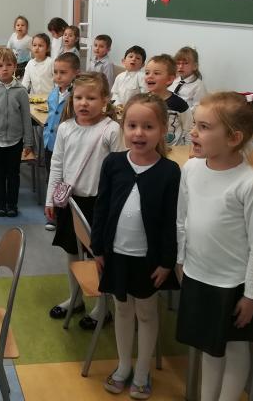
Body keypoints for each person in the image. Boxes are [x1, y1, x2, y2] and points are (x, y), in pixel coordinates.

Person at [176, 92, 253, 401]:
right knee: (209, 346)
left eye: (204, 127)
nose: (193, 132)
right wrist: (180, 260)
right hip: (198, 274)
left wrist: (252, 295)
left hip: (235, 284)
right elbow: (182, 219)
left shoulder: (250, 184)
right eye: (195, 124)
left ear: (233, 138)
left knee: (234, 348)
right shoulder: (191, 169)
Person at [92, 93, 181, 397]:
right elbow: (102, 208)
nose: (139, 133)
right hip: (116, 254)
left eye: (148, 126)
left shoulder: (170, 171)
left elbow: (171, 221)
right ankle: (123, 366)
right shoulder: (113, 163)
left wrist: (167, 261)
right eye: (132, 125)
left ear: (163, 130)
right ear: (123, 127)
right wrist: (98, 248)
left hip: (148, 260)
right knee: (121, 309)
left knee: (146, 312)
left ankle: (142, 371)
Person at [45, 72, 123, 328]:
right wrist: (50, 199)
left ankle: (102, 307)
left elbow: (120, 172)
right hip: (71, 202)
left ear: (105, 100)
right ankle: (76, 298)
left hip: (99, 205)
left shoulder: (111, 130)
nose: (83, 103)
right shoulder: (66, 128)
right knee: (72, 253)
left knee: (97, 258)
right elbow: (57, 164)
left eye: (91, 98)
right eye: (78, 97)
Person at [0, 48, 33, 217]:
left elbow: (26, 118)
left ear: (15, 67)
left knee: (13, 174)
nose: (5, 69)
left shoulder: (21, 91)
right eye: (0, 65)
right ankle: (1, 204)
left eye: (9, 65)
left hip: (15, 141)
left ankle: (12, 205)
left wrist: (28, 142)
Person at [42, 52, 80, 230]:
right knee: (51, 177)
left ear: (76, 73)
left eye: (63, 72)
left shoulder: (76, 96)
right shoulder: (54, 92)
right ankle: (52, 213)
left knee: (64, 181)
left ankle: (61, 215)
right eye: (55, 72)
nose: (58, 76)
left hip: (67, 146)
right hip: (50, 143)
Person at [143, 54, 192, 146]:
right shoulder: (142, 101)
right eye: (147, 73)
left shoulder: (179, 104)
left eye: (156, 73)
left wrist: (187, 150)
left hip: (173, 150)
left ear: (169, 79)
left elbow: (188, 130)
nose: (150, 76)